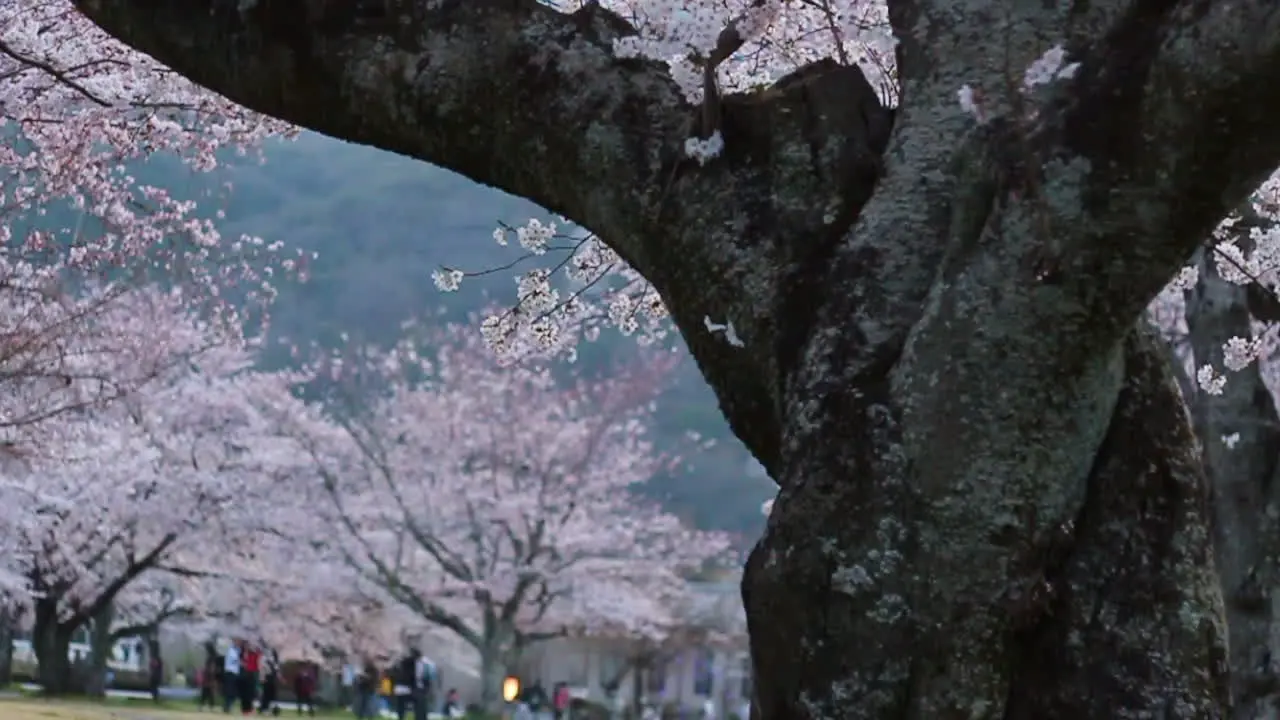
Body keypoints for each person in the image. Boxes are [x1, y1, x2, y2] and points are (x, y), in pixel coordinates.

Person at [240, 642, 262, 715]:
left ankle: (246, 709)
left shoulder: (251, 652)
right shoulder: (253, 653)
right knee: (251, 693)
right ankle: (248, 709)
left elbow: (244, 663)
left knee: (248, 693)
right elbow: (258, 664)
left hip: (249, 673)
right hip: (252, 673)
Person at [259, 649, 281, 715]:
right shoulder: (265, 660)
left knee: (273, 695)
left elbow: (277, 671)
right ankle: (264, 709)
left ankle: (272, 709)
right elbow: (262, 669)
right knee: (266, 695)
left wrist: (279, 677)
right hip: (267, 677)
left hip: (272, 679)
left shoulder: (275, 662)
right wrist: (262, 677)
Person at [223, 640, 242, 714]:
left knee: (234, 692)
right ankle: (227, 707)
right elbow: (234, 659)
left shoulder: (238, 650)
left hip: (235, 673)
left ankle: (228, 706)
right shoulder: (230, 650)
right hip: (230, 672)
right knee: (229, 691)